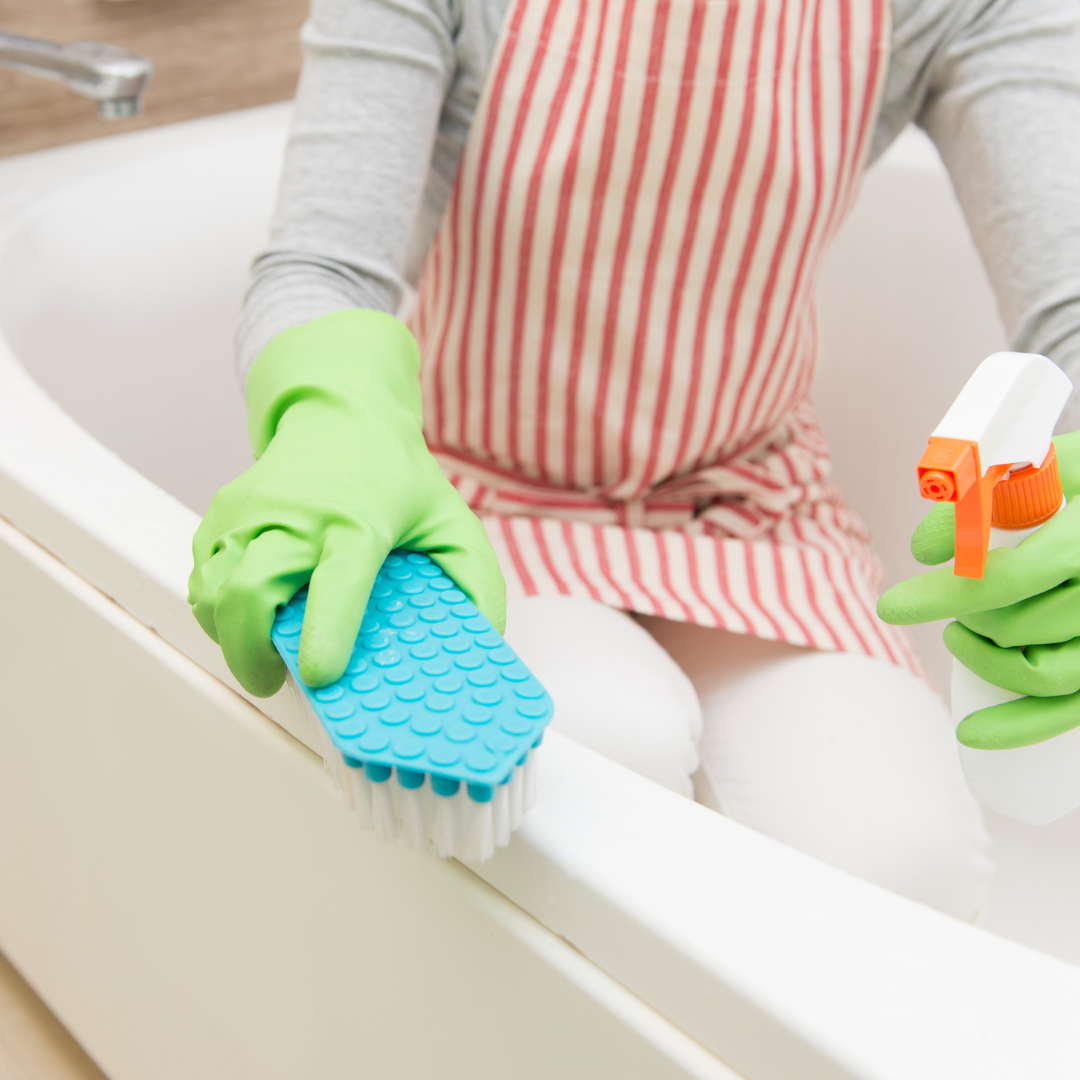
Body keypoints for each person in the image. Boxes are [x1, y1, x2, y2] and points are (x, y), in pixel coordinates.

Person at [188, 0, 1080, 920]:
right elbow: (322, 266)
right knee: (600, 753)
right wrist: (335, 420)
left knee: (907, 870)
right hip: (474, 502)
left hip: (755, 502)